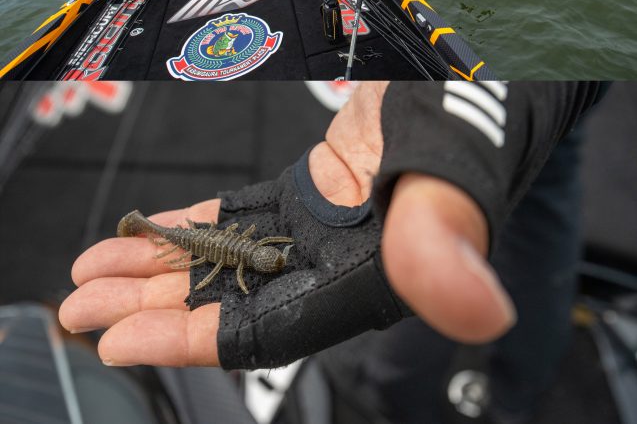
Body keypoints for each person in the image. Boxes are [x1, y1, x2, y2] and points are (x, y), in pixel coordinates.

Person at [58, 81, 606, 423]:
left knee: (458, 233)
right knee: (539, 196)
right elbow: (245, 262)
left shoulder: (259, 250)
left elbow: (255, 256)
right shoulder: (250, 252)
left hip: (229, 244)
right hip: (216, 245)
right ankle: (516, 393)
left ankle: (428, 399)